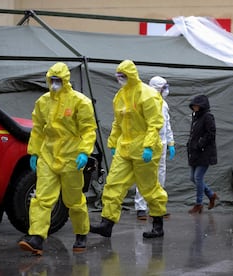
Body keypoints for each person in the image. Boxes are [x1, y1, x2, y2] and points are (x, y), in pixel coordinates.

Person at [18, 62, 97, 255]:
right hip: (49, 155)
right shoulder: (43, 102)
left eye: (58, 80)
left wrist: (84, 152)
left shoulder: (80, 102)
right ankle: (36, 237)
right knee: (42, 198)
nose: (54, 83)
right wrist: (34, 152)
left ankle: (81, 233)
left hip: (71, 156)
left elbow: (88, 130)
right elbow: (37, 130)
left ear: (66, 80)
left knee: (73, 200)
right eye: (52, 80)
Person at [90, 59, 168, 238]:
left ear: (131, 75)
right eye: (118, 76)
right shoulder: (119, 96)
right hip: (124, 148)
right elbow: (118, 123)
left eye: (123, 76)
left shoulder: (147, 94)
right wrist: (112, 142)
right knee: (113, 184)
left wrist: (148, 146)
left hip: (144, 149)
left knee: (149, 188)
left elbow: (154, 123)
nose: (120, 79)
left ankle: (158, 224)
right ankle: (106, 223)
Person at [135, 76, 175, 220]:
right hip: (149, 144)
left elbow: (167, 124)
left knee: (160, 175)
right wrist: (147, 145)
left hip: (162, 143)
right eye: (164, 87)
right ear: (158, 88)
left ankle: (158, 206)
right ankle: (141, 207)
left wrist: (170, 142)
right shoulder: (146, 101)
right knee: (145, 175)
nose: (166, 90)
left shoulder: (163, 104)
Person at [187, 95, 218, 214]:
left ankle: (199, 204)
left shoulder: (208, 117)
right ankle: (211, 195)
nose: (194, 107)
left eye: (196, 105)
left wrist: (200, 144)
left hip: (204, 152)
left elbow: (211, 133)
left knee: (198, 177)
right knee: (193, 178)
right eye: (193, 105)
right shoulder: (196, 117)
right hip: (195, 152)